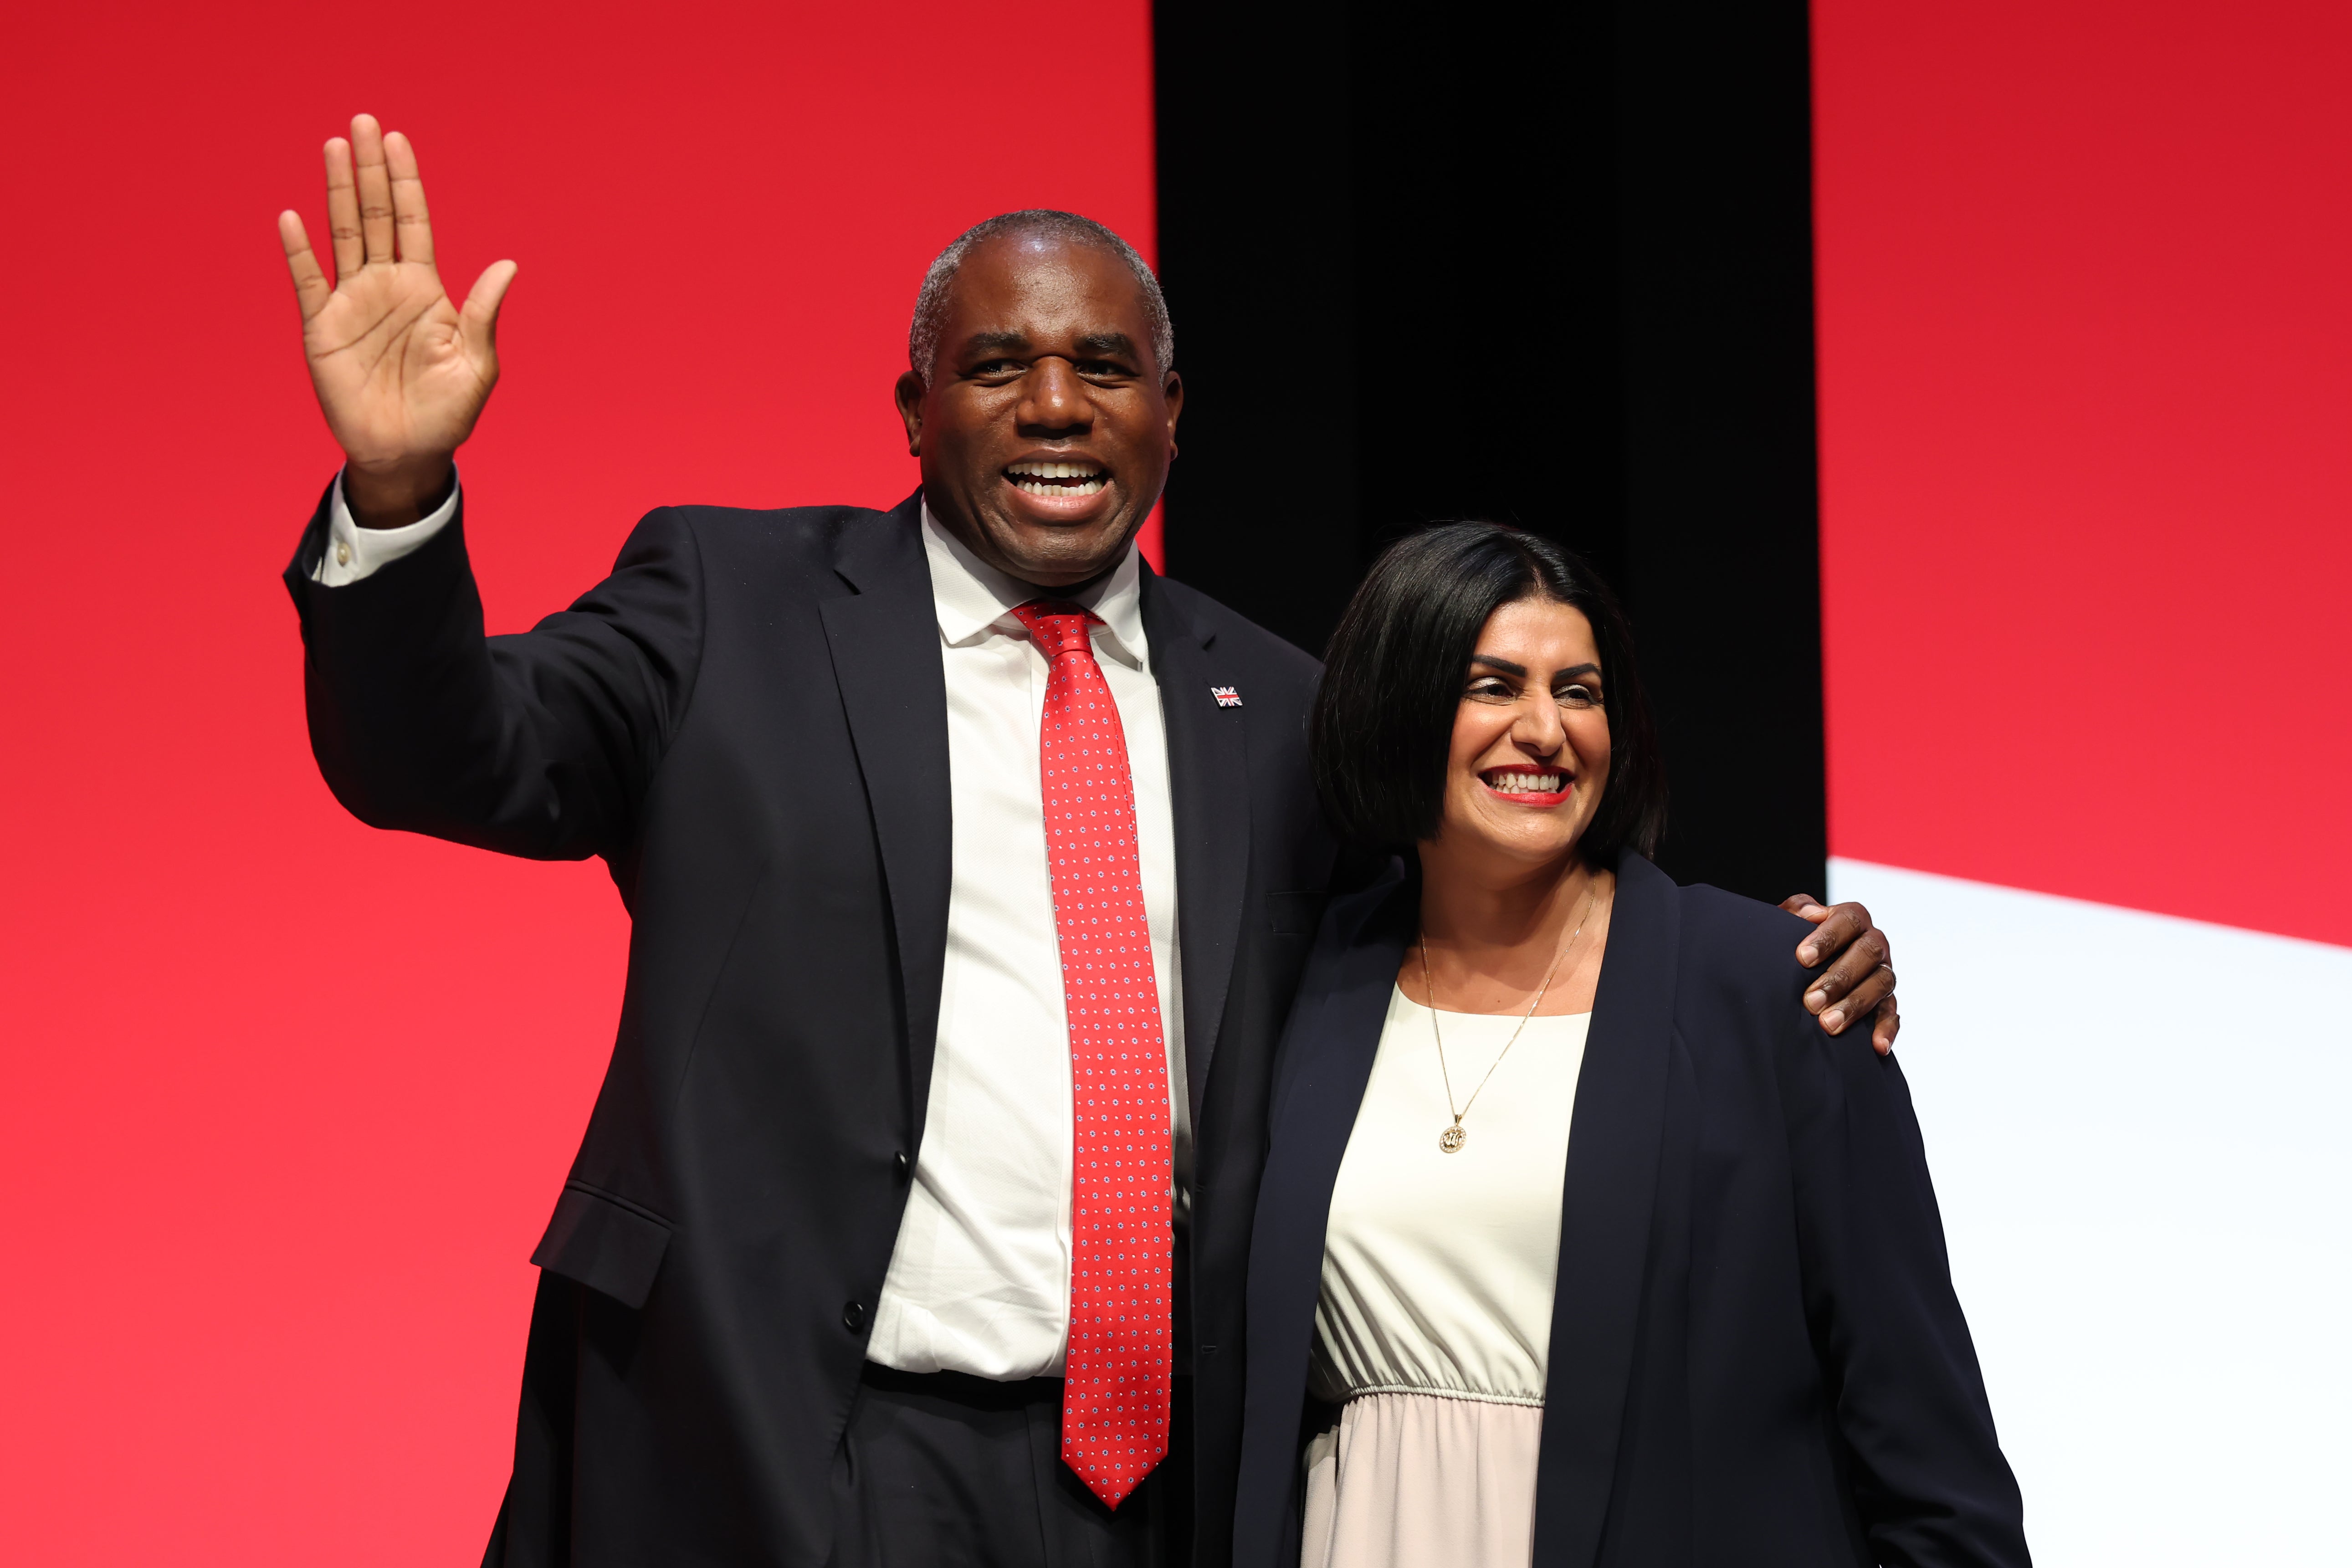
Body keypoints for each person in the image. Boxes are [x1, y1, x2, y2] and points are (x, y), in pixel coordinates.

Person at [272, 114, 1906, 1566]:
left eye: (1103, 369)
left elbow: (1470, 940)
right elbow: (448, 758)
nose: (1054, 406)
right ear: (914, 408)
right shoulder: (729, 606)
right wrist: (397, 489)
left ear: (1170, 413)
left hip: (1148, 1488)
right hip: (777, 1438)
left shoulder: (1283, 712)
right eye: (997, 366)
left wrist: (1756, 967)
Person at [1232, 523, 2027, 1567]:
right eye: (1492, 686)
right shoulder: (1305, 978)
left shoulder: (1771, 986)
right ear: (1394, 706)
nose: (1544, 730)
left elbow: (1929, 1450)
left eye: (1579, 691)